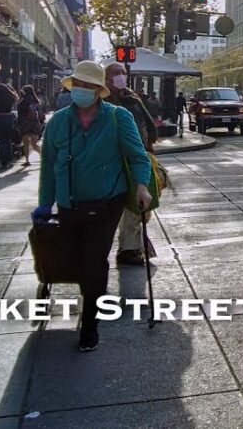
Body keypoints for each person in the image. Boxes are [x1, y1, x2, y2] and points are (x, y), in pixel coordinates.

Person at [34, 61, 151, 352]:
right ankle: (84, 296)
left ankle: (90, 323)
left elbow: (137, 156)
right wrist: (45, 203)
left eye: (88, 86)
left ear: (99, 90)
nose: (82, 90)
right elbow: (48, 166)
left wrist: (142, 185)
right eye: (79, 85)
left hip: (107, 202)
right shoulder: (58, 122)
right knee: (74, 258)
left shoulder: (118, 117)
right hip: (69, 203)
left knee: (94, 260)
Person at [104, 62, 157, 266]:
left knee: (136, 206)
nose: (121, 76)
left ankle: (130, 247)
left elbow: (147, 124)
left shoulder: (132, 98)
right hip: (113, 160)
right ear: (106, 77)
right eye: (116, 73)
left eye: (123, 72)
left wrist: (148, 148)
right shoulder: (102, 100)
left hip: (137, 157)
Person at [0, 80, 19, 170]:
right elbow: (17, 98)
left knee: (1, 140)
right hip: (8, 117)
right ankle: (8, 159)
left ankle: (3, 161)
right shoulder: (10, 96)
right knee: (8, 139)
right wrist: (10, 90)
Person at [17, 85, 45, 165]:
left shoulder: (22, 102)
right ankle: (43, 157)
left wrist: (19, 124)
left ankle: (27, 160)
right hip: (34, 124)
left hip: (25, 124)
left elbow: (20, 114)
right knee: (34, 144)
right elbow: (40, 114)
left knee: (25, 143)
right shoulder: (36, 101)